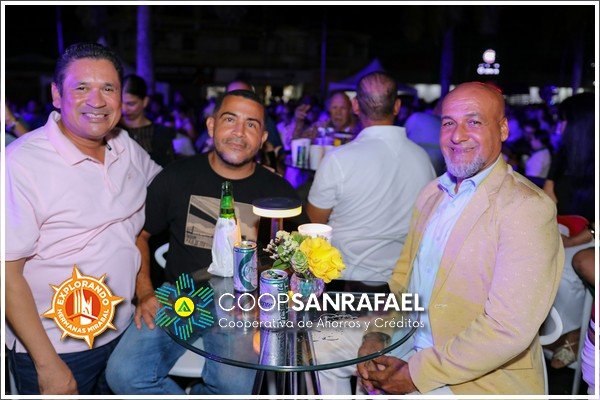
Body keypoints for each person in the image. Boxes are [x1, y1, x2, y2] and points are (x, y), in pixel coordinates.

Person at [356, 82, 564, 395]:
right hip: (411, 345)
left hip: (478, 379)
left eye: (474, 122)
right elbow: (402, 282)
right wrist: (377, 333)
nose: (457, 136)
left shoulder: (526, 208)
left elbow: (507, 328)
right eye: (448, 123)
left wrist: (416, 373)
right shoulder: (432, 193)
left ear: (503, 129)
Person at [105, 89, 305, 395]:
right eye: (230, 120)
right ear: (211, 126)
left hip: (241, 305)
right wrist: (144, 292)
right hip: (180, 295)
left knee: (235, 388)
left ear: (263, 138)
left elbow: (296, 262)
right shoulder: (177, 176)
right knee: (123, 374)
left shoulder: (279, 193)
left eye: (251, 124)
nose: (239, 132)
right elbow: (140, 235)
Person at [5, 42, 162, 395]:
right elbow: (6, 273)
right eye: (81, 87)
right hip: (57, 348)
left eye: (108, 88)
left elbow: (168, 190)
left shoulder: (125, 147)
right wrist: (47, 365)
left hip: (123, 333)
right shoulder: (20, 164)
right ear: (56, 95)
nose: (97, 100)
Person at [307, 71, 435, 281]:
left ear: (355, 106)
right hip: (401, 282)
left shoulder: (338, 159)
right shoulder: (422, 158)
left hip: (343, 281)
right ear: (397, 106)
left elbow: (314, 225)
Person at [543, 92, 595, 369]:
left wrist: (570, 241)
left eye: (563, 120)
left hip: (591, 236)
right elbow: (548, 198)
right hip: (568, 228)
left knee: (564, 266)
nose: (559, 126)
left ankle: (571, 333)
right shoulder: (563, 153)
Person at [120, 74, 176, 167]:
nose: (124, 109)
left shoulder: (160, 133)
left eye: (131, 104)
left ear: (145, 101)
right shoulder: (112, 129)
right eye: (120, 103)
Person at [292, 91, 361, 142]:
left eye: (343, 108)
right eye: (334, 107)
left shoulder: (359, 132)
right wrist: (299, 123)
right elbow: (298, 145)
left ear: (350, 110)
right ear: (329, 109)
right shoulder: (319, 128)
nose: (338, 113)